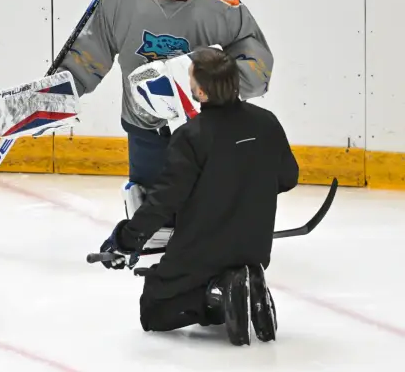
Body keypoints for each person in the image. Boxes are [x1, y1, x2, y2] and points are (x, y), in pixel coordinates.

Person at [56, 0, 274, 245]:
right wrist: (58, 92)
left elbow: (255, 65)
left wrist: (212, 82)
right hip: (143, 124)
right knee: (151, 208)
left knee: (201, 204)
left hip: (200, 129)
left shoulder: (221, 8)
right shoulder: (121, 0)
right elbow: (90, 55)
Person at [98, 47, 299, 346]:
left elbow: (164, 202)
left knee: (154, 311)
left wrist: (126, 238)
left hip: (204, 250)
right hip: (254, 248)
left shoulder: (191, 137)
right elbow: (287, 178)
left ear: (201, 94)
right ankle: (245, 282)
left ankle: (219, 292)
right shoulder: (267, 122)